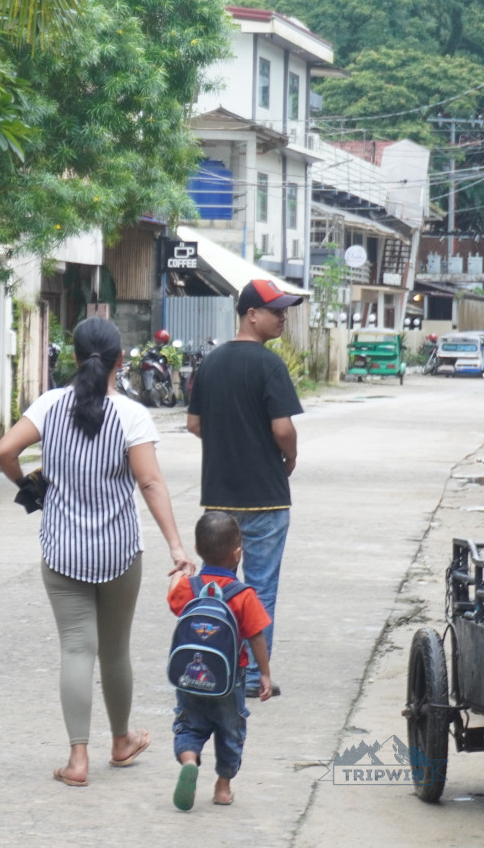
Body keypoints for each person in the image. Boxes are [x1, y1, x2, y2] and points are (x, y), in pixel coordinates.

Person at [0, 318, 195, 787]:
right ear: (119, 361)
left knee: (76, 649)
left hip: (62, 550)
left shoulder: (48, 406)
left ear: (76, 358)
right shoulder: (131, 415)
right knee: (114, 649)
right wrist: (176, 545)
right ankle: (121, 741)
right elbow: (149, 481)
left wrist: (28, 485)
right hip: (119, 552)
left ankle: (77, 760)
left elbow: (5, 450)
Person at [186, 279, 303, 697]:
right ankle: (254, 676)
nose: (283, 318)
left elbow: (194, 424)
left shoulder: (210, 363)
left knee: (215, 586)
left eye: (285, 311)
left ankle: (206, 668)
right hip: (266, 499)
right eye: (276, 311)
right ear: (251, 314)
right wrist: (289, 457)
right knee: (260, 589)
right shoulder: (270, 366)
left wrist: (228, 442)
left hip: (218, 499)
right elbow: (283, 428)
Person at [168, 511, 273, 810]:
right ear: (237, 552)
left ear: (198, 550)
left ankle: (189, 760)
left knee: (188, 725)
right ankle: (223, 787)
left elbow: (173, 601)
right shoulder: (243, 595)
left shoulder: (189, 588)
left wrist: (180, 573)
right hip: (230, 679)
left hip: (190, 676)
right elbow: (256, 637)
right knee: (231, 732)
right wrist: (263, 674)